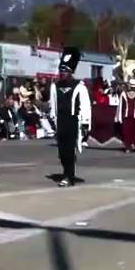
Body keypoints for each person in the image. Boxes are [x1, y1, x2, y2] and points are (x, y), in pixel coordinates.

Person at [48, 47, 90, 187]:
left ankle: (68, 176)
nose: (62, 73)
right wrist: (53, 120)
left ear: (71, 71)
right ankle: (67, 170)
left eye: (65, 70)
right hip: (60, 121)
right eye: (61, 70)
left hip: (73, 121)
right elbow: (53, 104)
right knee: (61, 152)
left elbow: (85, 106)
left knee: (69, 150)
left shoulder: (79, 86)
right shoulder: (55, 86)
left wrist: (85, 124)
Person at [116, 70, 135, 153]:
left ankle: (128, 147)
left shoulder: (123, 94)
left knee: (127, 132)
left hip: (126, 116)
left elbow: (120, 107)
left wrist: (119, 118)